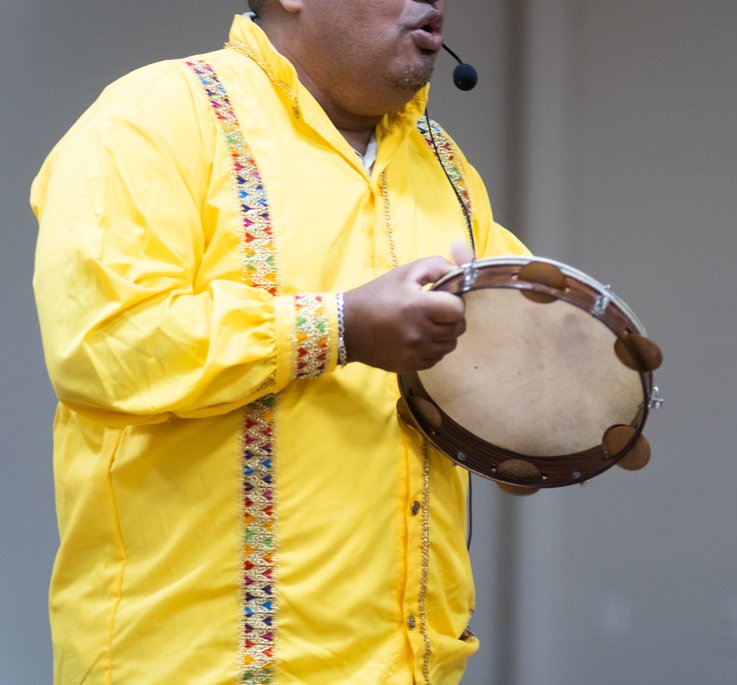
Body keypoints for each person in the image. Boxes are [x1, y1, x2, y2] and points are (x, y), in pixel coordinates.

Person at [31, 1, 528, 683]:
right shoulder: (154, 116)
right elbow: (102, 344)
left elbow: (509, 356)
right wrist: (342, 326)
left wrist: (535, 430)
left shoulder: (445, 166)